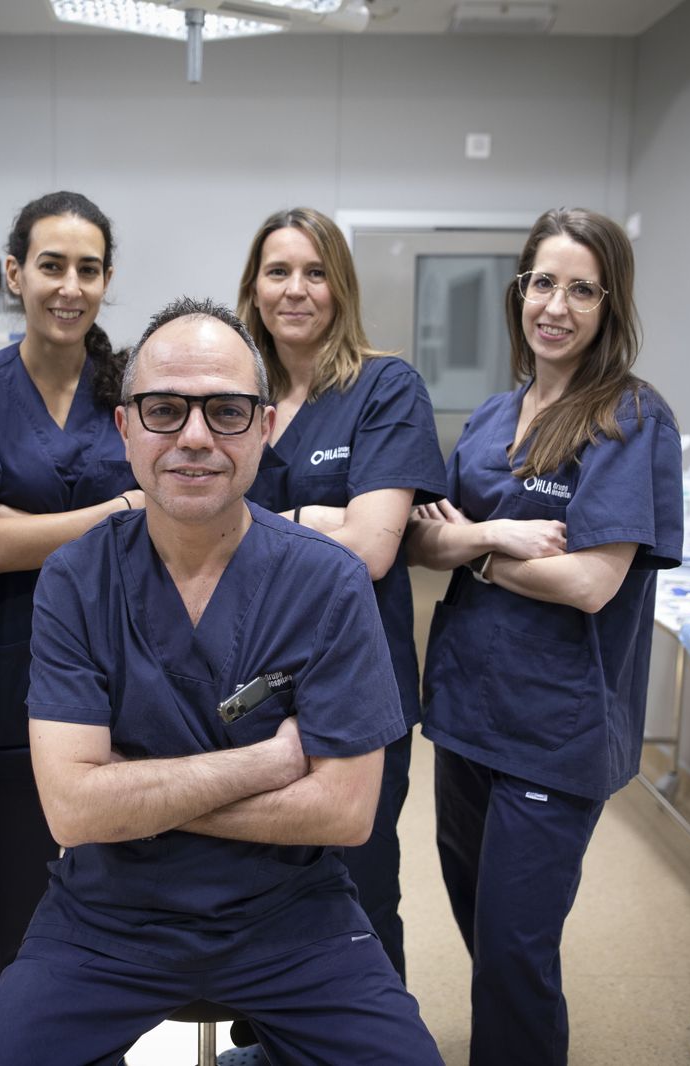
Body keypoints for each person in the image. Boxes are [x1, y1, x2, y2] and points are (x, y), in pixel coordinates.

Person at [0, 297, 444, 1066]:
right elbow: (71, 812)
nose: (193, 437)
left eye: (225, 410)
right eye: (163, 410)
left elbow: (347, 812)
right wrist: (269, 763)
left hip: (291, 915)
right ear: (126, 430)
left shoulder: (328, 582)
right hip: (109, 914)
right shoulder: (76, 580)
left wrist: (133, 798)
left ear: (265, 428)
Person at [405, 207, 683, 1066]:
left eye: (582, 289)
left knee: (517, 954)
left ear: (610, 304)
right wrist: (501, 537)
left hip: (553, 730)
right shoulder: (494, 416)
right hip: (467, 715)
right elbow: (423, 539)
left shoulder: (629, 418)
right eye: (543, 283)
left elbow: (591, 584)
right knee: (481, 925)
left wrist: (478, 551)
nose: (556, 306)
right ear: (518, 291)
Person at [0, 191, 140, 1024]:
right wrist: (116, 515)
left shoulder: (135, 385)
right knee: (13, 910)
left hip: (130, 673)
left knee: (127, 902)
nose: (69, 286)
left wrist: (31, 526)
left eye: (88, 269)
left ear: (107, 280)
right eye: (50, 265)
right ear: (15, 273)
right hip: (4, 677)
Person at [236, 207, 445, 981]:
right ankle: (268, 1041)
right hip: (247, 685)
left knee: (357, 883)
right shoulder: (234, 393)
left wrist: (269, 522)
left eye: (316, 272)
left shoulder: (385, 387)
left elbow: (372, 549)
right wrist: (320, 520)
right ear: (253, 289)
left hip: (357, 684)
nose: (297, 290)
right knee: (257, 880)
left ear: (342, 287)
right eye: (278, 271)